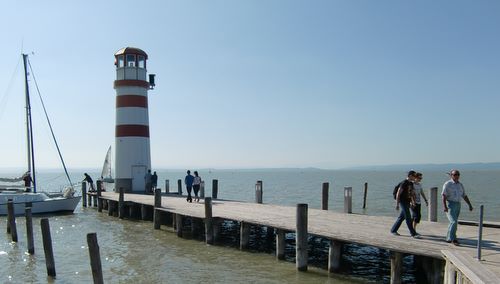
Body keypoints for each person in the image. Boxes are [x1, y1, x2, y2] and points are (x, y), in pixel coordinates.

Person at [442, 170, 473, 246]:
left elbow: (464, 195)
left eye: (458, 174)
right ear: (451, 175)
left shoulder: (460, 185)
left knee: (453, 222)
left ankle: (448, 238)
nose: (457, 176)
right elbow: (444, 195)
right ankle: (453, 239)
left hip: (458, 204)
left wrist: (469, 205)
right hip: (450, 204)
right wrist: (445, 206)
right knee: (453, 222)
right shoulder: (448, 184)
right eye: (455, 174)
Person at [390, 170, 421, 239]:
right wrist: (397, 204)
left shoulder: (411, 183)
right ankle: (413, 233)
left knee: (402, 217)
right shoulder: (404, 183)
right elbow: (398, 193)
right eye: (414, 176)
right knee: (408, 217)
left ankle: (393, 230)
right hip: (402, 201)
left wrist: (413, 201)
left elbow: (412, 193)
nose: (415, 177)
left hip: (407, 201)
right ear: (410, 176)